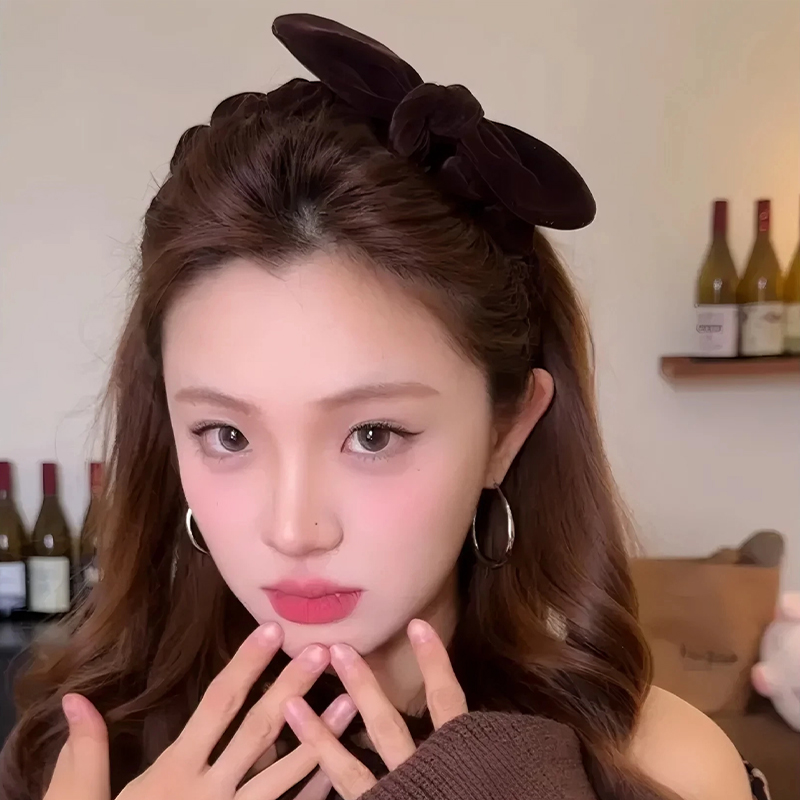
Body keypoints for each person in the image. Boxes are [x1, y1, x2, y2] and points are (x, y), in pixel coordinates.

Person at [0, 13, 766, 800]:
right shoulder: (87, 756)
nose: (294, 529)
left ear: (507, 430)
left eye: (372, 435)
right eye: (226, 434)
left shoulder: (658, 766)